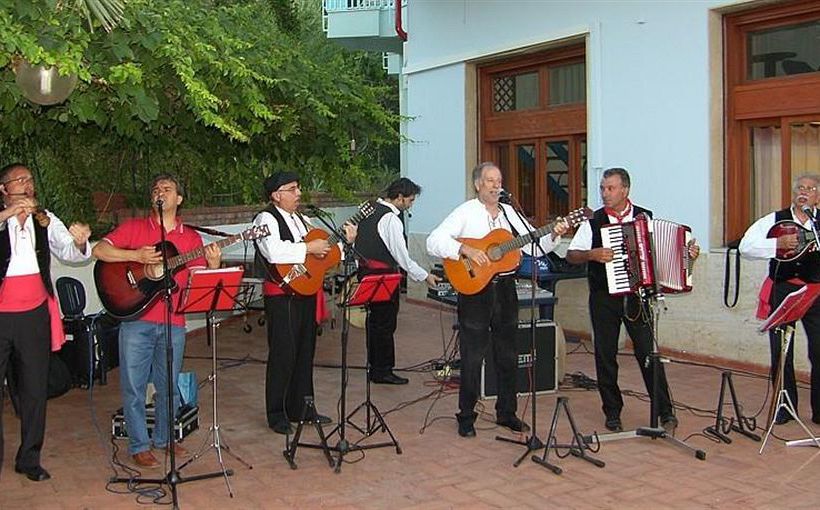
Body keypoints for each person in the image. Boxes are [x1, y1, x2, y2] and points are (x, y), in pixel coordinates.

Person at [426, 162, 567, 437]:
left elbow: (534, 246)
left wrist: (554, 234)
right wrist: (465, 249)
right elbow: (434, 241)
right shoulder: (466, 212)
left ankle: (507, 412)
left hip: (505, 289)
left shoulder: (510, 213)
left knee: (508, 354)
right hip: (475, 291)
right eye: (490, 180)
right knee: (472, 355)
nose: (496, 185)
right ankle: (466, 416)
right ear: (477, 184)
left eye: (499, 180)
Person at [93, 174, 221, 468]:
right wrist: (136, 255)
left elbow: (198, 282)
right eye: (156, 189)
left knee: (168, 386)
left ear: (179, 199)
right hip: (136, 318)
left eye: (167, 189)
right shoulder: (134, 228)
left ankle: (164, 439)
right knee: (134, 386)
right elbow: (100, 250)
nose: (159, 192)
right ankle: (139, 445)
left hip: (173, 321)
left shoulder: (191, 238)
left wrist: (213, 266)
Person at [566, 167, 699, 433]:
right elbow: (571, 255)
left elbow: (659, 253)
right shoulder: (593, 220)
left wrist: (687, 255)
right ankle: (612, 412)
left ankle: (665, 411)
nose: (605, 193)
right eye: (603, 188)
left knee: (648, 353)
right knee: (605, 354)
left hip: (638, 296)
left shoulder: (644, 217)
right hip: (604, 296)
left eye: (610, 188)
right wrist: (592, 254)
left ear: (625, 190)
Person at [0, 163, 91, 482]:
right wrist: (8, 214)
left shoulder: (45, 219)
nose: (27, 184)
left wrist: (79, 242)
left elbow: (70, 251)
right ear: (4, 189)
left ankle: (29, 458)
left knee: (34, 388)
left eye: (29, 179)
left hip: (34, 315)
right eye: (19, 180)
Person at [253, 171, 357, 434]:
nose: (299, 193)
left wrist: (345, 243)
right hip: (282, 295)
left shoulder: (303, 219)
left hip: (306, 291)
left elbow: (322, 255)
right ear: (276, 195)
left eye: (298, 187)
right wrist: (309, 248)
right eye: (292, 189)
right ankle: (277, 414)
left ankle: (302, 408)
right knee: (283, 354)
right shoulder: (265, 219)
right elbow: (273, 251)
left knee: (304, 352)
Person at [739, 173, 820, 426]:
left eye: (810, 189)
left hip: (815, 293)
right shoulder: (774, 220)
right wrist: (777, 244)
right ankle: (785, 407)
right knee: (781, 351)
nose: (803, 192)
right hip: (783, 290)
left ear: (817, 196)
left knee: (819, 350)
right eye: (800, 188)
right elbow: (745, 247)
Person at [355, 177, 440, 385]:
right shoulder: (391, 219)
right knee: (385, 324)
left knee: (374, 323)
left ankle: (375, 367)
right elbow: (402, 257)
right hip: (384, 277)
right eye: (410, 200)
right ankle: (383, 370)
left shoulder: (368, 208)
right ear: (400, 197)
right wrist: (424, 276)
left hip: (366, 273)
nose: (410, 205)